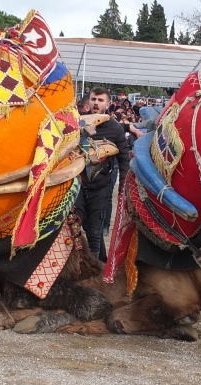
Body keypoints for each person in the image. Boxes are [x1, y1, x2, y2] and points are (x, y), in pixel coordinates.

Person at [74, 87, 130, 260]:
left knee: (94, 232)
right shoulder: (78, 123)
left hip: (101, 187)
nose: (96, 103)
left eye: (100, 100)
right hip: (78, 185)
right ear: (88, 101)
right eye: (93, 99)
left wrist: (123, 189)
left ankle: (96, 272)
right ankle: (97, 263)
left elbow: (124, 160)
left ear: (107, 103)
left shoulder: (115, 129)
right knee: (76, 227)